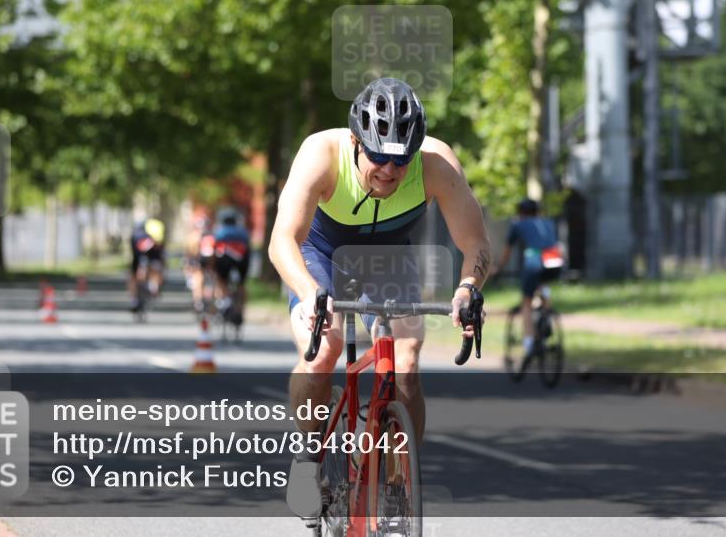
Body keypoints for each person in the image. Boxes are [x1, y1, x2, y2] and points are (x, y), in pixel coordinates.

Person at [268, 77, 490, 518]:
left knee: (406, 360)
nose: (389, 170)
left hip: (388, 257)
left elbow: (476, 244)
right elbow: (281, 241)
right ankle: (308, 458)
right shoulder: (321, 153)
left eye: (401, 160)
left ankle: (397, 481)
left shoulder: (437, 164)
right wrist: (310, 293)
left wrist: (468, 289)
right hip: (320, 254)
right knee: (323, 350)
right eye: (378, 157)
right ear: (355, 142)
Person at [492, 197, 560, 356]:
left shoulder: (518, 224)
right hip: (554, 259)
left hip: (535, 259)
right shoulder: (548, 222)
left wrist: (498, 268)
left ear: (521, 213)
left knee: (527, 301)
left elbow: (507, 251)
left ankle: (528, 342)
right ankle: (546, 316)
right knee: (543, 284)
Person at [211, 207, 251, 326]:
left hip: (224, 260)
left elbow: (214, 250)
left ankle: (224, 301)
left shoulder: (219, 231)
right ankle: (240, 311)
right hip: (242, 261)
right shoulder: (243, 232)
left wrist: (213, 267)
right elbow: (248, 249)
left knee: (221, 280)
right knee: (241, 284)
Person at [129, 217, 166, 312]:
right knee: (135, 276)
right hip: (141, 259)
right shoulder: (141, 237)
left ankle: (137, 297)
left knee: (152, 270)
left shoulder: (138, 236)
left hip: (148, 259)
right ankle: (135, 298)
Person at [184, 207, 212, 311]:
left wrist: (187, 267)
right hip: (206, 262)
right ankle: (204, 300)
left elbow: (189, 253)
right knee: (207, 279)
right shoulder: (211, 235)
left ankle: (198, 301)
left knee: (198, 278)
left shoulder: (192, 236)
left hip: (198, 262)